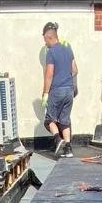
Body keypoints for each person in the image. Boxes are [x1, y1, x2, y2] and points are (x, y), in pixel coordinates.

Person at [41, 21, 78, 157]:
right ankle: (68, 149)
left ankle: (58, 140)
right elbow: (75, 70)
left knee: (49, 120)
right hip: (69, 90)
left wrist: (45, 93)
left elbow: (49, 74)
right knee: (64, 120)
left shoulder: (51, 52)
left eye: (46, 40)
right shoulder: (68, 50)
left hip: (57, 90)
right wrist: (66, 78)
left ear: (50, 38)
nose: (46, 44)